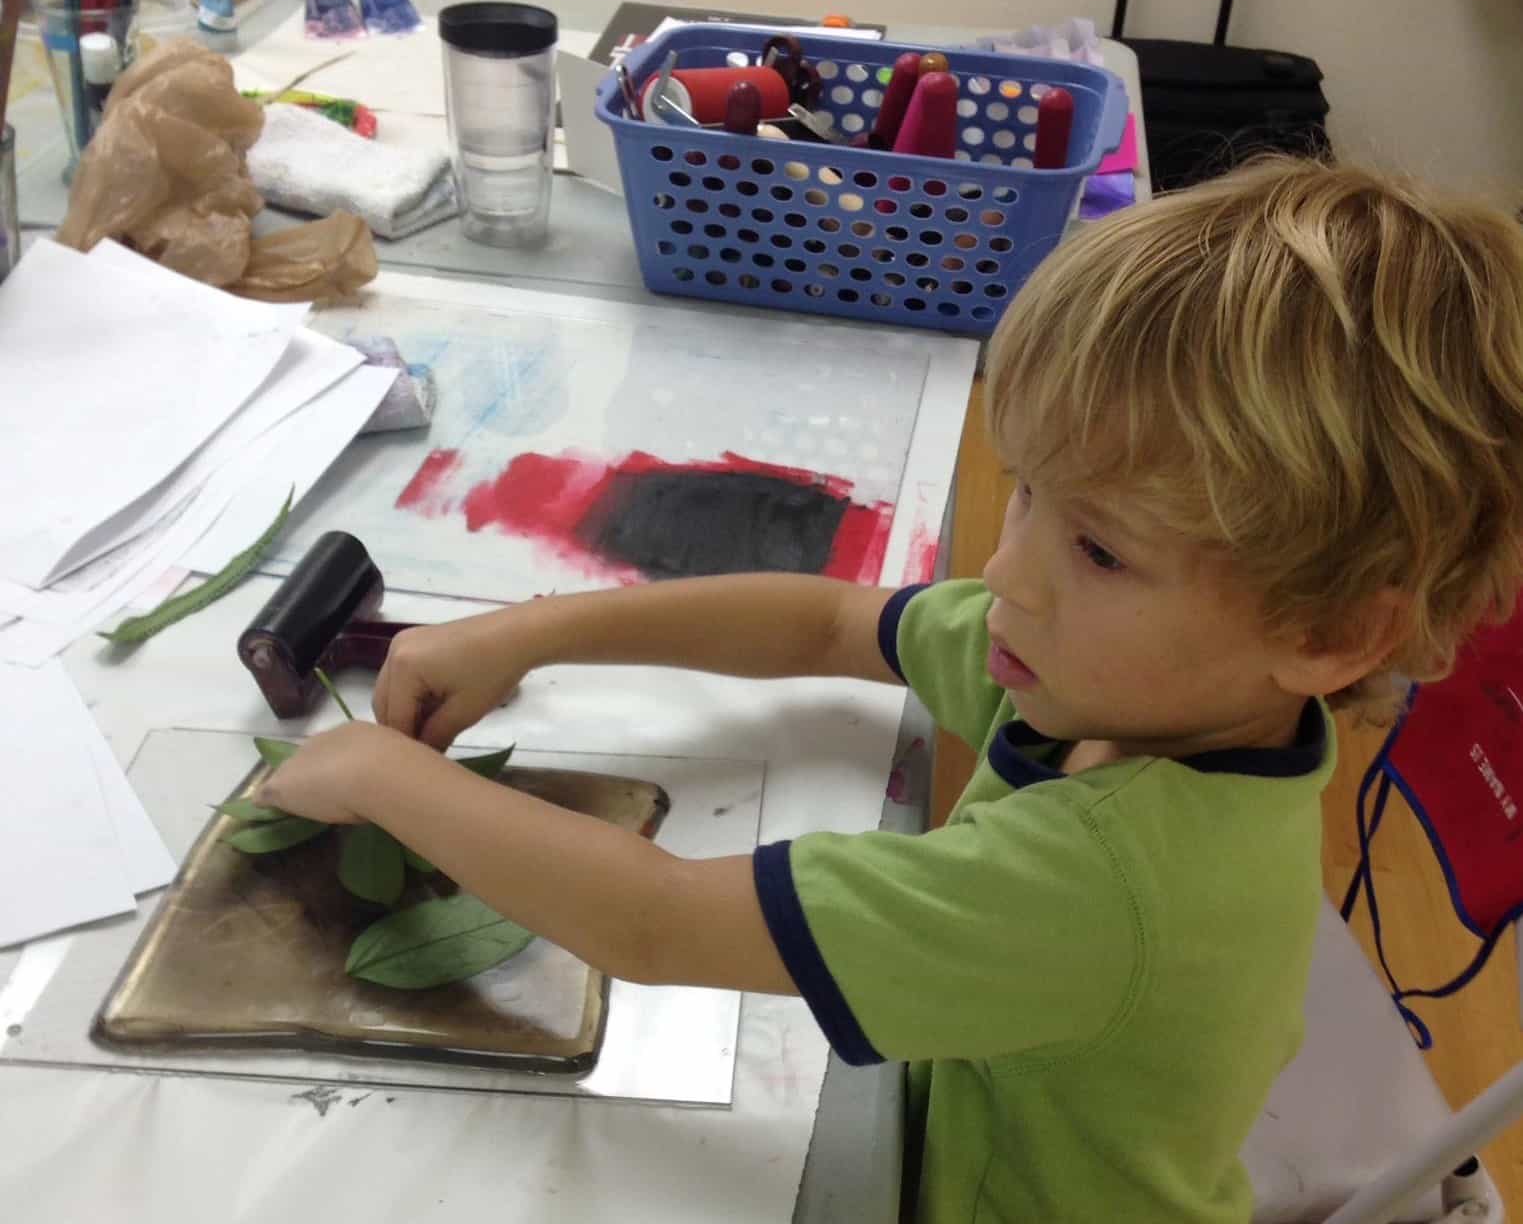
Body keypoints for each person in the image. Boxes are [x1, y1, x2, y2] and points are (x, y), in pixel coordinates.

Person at [258, 157, 1523, 1222]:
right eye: (1024, 486)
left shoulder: (1107, 881)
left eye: (1098, 548)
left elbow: (653, 924)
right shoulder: (1130, 674)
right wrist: (526, 633)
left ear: (1326, 634)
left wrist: (387, 774)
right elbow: (828, 619)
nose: (1009, 572)